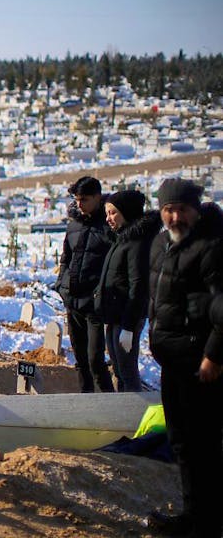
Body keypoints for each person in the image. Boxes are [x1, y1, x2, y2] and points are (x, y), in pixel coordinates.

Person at [144, 179, 223, 537]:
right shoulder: (161, 244)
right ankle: (194, 515)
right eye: (168, 210)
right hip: (172, 362)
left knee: (203, 444)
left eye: (182, 209)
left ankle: (207, 523)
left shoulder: (211, 247)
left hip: (201, 365)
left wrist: (213, 356)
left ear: (196, 210)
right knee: (182, 442)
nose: (175, 217)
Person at [94, 190, 160, 392]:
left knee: (127, 372)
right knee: (119, 370)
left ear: (127, 212)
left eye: (113, 213)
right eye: (107, 213)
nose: (108, 218)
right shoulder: (122, 239)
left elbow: (138, 286)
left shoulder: (137, 243)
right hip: (115, 316)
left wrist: (129, 327)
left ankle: (134, 410)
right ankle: (123, 408)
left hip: (126, 318)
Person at [56, 176, 114, 393]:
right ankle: (85, 400)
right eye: (77, 200)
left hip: (94, 305)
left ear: (98, 198)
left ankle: (109, 402)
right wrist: (62, 286)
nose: (79, 204)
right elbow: (66, 258)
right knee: (80, 360)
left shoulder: (108, 227)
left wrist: (100, 294)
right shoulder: (74, 225)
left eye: (84, 200)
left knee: (95, 360)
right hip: (73, 301)